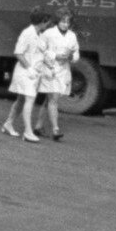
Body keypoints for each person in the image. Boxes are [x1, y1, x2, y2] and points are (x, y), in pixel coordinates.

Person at [2, 8, 58, 143]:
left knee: (21, 100)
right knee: (29, 99)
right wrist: (30, 69)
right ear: (43, 22)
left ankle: (8, 123)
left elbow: (39, 54)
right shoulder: (27, 33)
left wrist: (49, 66)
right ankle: (28, 131)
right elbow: (18, 53)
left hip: (32, 73)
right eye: (47, 22)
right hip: (25, 73)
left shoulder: (38, 34)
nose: (48, 25)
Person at [38, 10, 81, 141]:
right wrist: (55, 55)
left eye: (68, 22)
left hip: (63, 70)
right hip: (50, 69)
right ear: (58, 21)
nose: (65, 24)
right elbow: (39, 49)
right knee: (54, 99)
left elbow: (76, 53)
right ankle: (55, 129)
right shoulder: (48, 34)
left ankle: (38, 126)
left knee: (49, 100)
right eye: (63, 21)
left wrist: (71, 57)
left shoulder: (72, 36)